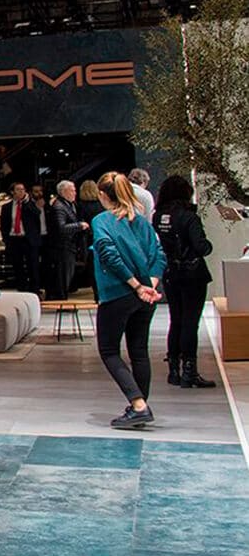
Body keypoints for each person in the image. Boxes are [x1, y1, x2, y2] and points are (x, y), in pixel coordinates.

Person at [89, 172, 167, 429]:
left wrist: (135, 286)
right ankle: (139, 406)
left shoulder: (101, 221)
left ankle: (138, 405)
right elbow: (158, 254)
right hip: (145, 295)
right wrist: (150, 285)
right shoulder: (142, 222)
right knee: (139, 350)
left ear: (102, 195)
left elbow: (109, 255)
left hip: (118, 293)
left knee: (109, 350)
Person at [154, 175, 216, 388]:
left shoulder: (159, 216)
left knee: (176, 319)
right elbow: (201, 247)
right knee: (190, 321)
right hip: (192, 273)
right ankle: (190, 371)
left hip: (171, 272)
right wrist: (207, 245)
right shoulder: (188, 217)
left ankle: (173, 369)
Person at [47, 181, 89, 300]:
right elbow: (61, 228)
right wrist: (79, 225)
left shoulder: (70, 204)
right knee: (63, 276)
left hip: (69, 245)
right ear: (64, 192)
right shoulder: (59, 206)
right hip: (62, 246)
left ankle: (62, 297)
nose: (75, 192)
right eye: (72, 190)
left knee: (67, 275)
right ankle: (61, 299)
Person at [0, 183, 40, 291]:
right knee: (17, 265)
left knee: (32, 265)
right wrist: (6, 239)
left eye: (23, 189)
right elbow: (4, 225)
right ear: (13, 192)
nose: (21, 192)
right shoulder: (6, 207)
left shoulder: (30, 204)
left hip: (27, 239)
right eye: (18, 189)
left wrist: (27, 202)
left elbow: (37, 214)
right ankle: (21, 287)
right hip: (14, 239)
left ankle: (34, 288)